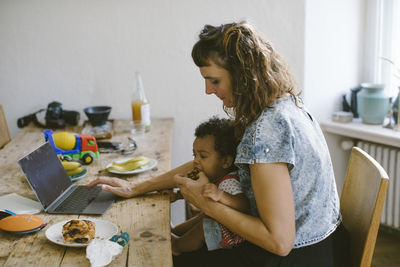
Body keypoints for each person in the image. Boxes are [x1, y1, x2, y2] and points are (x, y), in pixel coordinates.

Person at [88, 21, 349, 266]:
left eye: (215, 80)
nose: (208, 90)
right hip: (324, 246)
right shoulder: (287, 105)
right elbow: (208, 158)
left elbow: (279, 242)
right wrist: (139, 187)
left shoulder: (267, 130)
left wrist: (205, 204)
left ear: (244, 76)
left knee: (152, 258)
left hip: (296, 258)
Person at [170, 116, 248, 255]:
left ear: (225, 161)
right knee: (202, 217)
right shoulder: (211, 177)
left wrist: (221, 195)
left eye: (203, 156)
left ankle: (177, 245)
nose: (196, 161)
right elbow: (197, 192)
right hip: (216, 221)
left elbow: (244, 204)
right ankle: (175, 232)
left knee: (204, 224)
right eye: (194, 155)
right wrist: (177, 195)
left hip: (230, 233)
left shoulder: (229, 182)